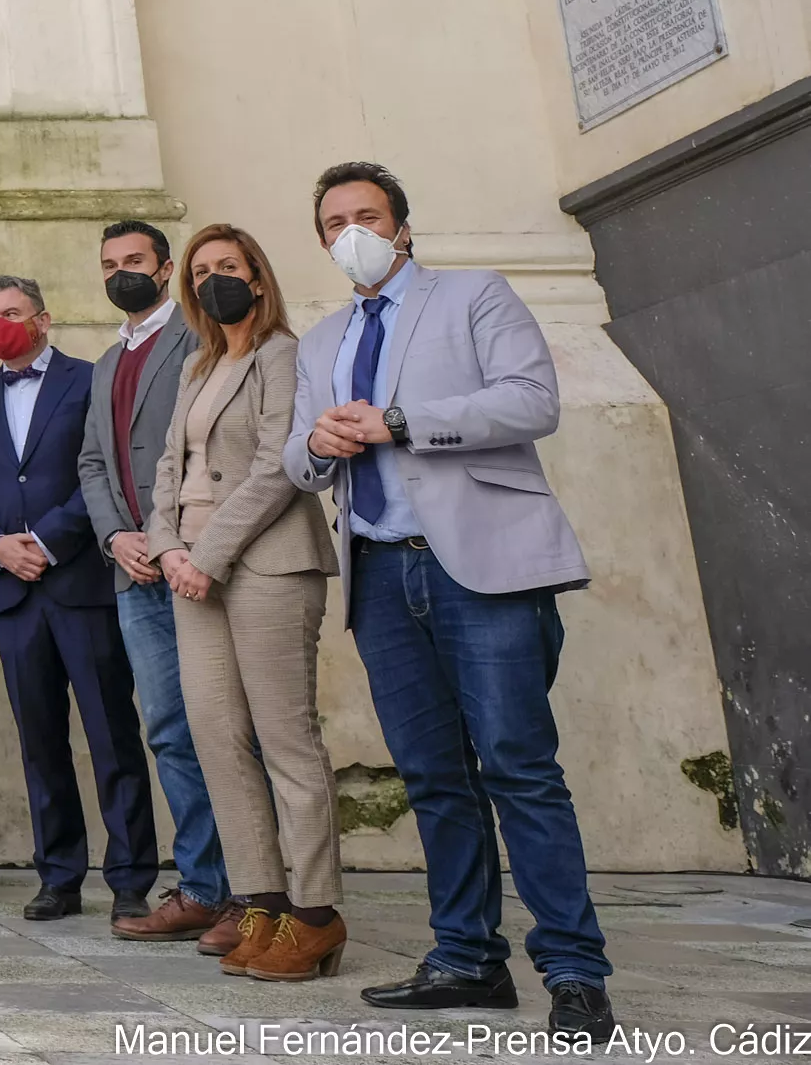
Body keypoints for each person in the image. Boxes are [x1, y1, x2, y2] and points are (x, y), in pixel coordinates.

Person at [282, 162, 612, 1041]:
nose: (350, 232)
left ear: (401, 226)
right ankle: (465, 957)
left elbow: (531, 401)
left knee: (517, 766)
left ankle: (575, 971)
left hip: (481, 564)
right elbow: (297, 464)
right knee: (432, 776)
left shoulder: (473, 295)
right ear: (321, 240)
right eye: (333, 222)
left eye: (367, 215)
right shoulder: (317, 343)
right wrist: (316, 443)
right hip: (381, 575)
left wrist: (397, 422)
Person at [151, 224, 345, 981]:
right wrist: (165, 544)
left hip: (264, 563)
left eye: (226, 268)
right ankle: (260, 900)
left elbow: (276, 466)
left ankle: (316, 913)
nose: (211, 281)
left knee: (285, 738)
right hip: (190, 570)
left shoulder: (280, 355)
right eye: (199, 272)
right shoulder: (198, 365)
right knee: (216, 736)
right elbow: (172, 463)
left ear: (257, 279)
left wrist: (204, 554)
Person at [0, 274, 158, 923]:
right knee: (39, 741)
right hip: (11, 593)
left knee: (110, 735)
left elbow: (101, 468)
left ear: (43, 319)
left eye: (10, 313)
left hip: (79, 583)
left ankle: (128, 878)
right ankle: (58, 875)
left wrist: (45, 538)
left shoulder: (89, 379)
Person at [77, 221, 227, 943]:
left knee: (225, 727)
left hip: (196, 563)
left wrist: (167, 541)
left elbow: (210, 452)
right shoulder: (107, 361)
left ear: (165, 269)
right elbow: (91, 464)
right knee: (167, 731)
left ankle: (256, 888)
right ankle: (202, 885)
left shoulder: (200, 341)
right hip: (132, 572)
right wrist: (114, 536)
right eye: (109, 265)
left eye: (133, 261)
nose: (120, 274)